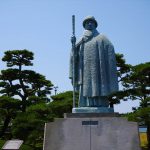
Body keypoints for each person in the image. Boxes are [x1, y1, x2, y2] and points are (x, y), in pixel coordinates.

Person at [69, 16, 118, 108]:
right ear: (84, 25)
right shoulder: (81, 40)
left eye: (92, 22)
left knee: (99, 85)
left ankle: (101, 104)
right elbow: (74, 56)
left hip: (99, 69)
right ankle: (85, 104)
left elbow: (110, 50)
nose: (90, 24)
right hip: (84, 69)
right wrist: (73, 45)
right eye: (87, 22)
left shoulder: (102, 38)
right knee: (86, 86)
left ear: (95, 24)